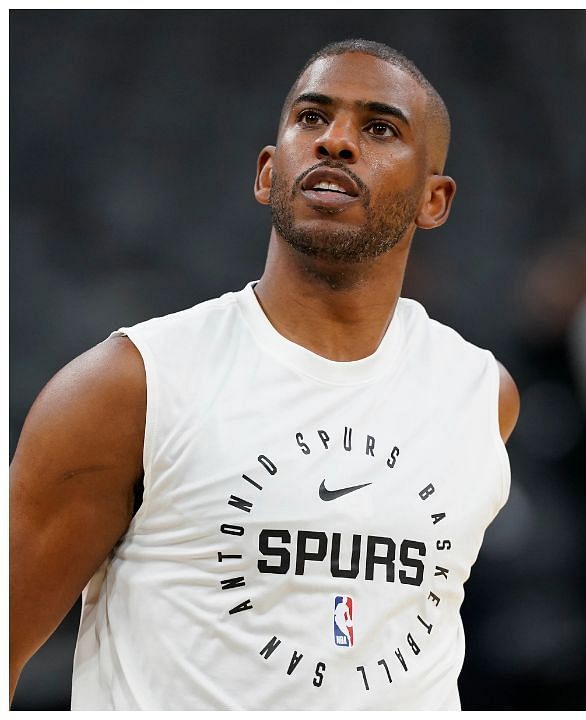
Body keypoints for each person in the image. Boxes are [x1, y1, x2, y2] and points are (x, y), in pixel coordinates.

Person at [10, 40, 519, 710]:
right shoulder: (129, 386)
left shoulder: (481, 395)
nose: (336, 141)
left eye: (379, 128)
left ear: (435, 201)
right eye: (312, 118)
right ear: (266, 171)